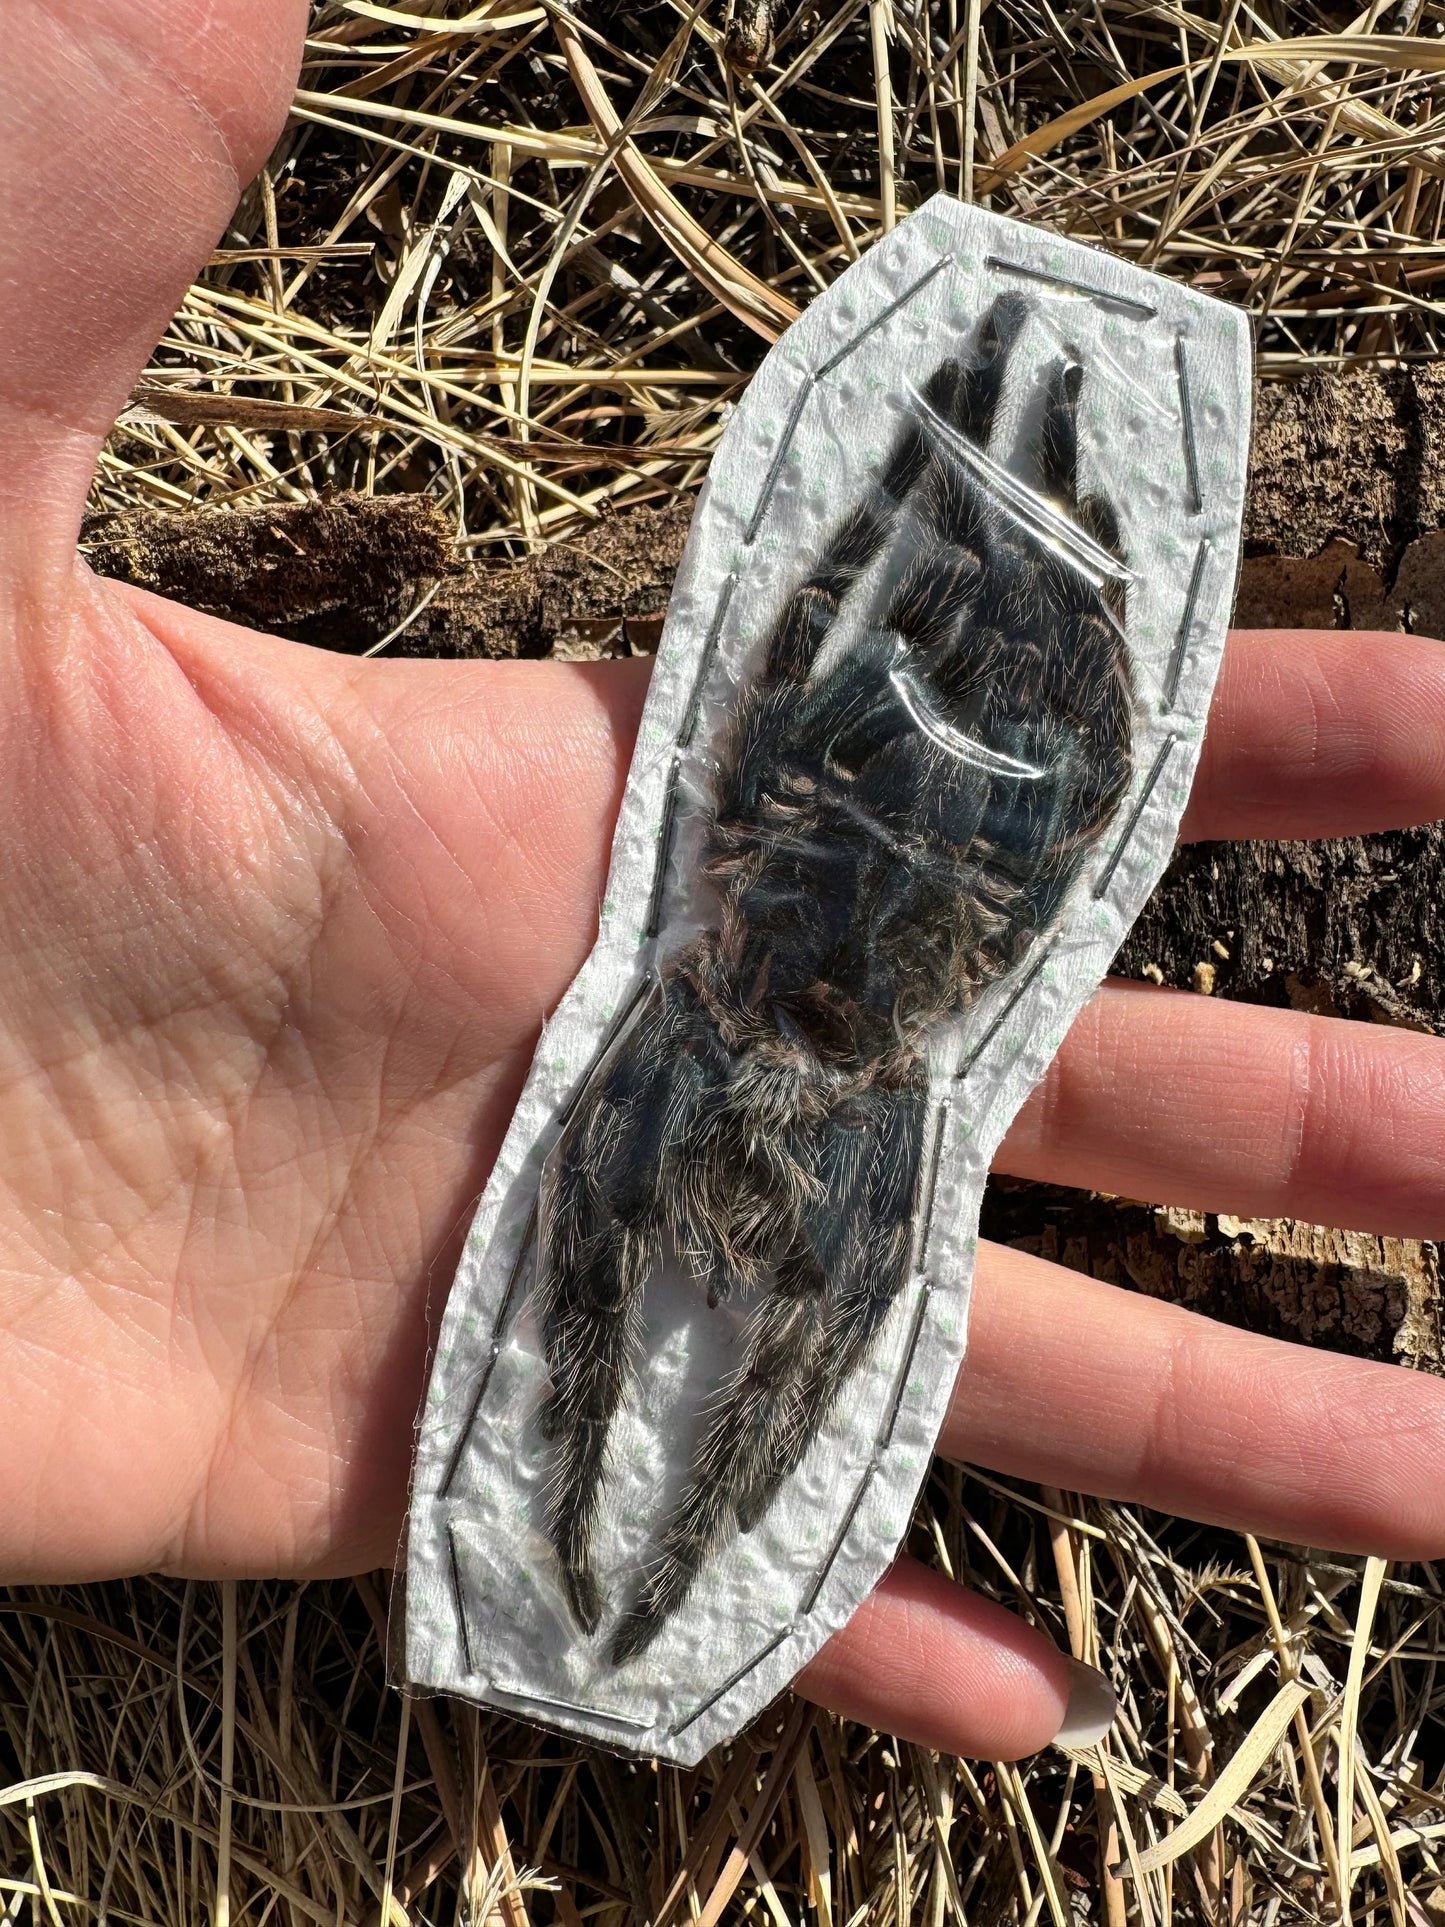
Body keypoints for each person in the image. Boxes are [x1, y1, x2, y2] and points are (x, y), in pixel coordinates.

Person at [2, 0, 1441, 1762]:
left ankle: (659, 1560)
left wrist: (906, 509)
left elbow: (815, 719)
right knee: (631, 1272)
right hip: (852, 917)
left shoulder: (812, 927)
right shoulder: (794, 954)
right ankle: (645, 1563)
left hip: (857, 923)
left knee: (685, 1277)